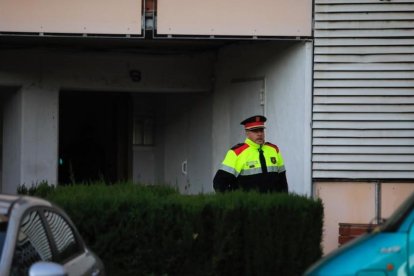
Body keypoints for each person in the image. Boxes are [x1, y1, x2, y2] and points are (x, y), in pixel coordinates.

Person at [213, 115, 288, 193]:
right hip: (249, 204)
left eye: (261, 130)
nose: (259, 134)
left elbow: (283, 181)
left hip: (271, 204)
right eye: (255, 131)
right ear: (247, 133)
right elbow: (219, 183)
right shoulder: (236, 152)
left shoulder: (274, 150)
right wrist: (235, 202)